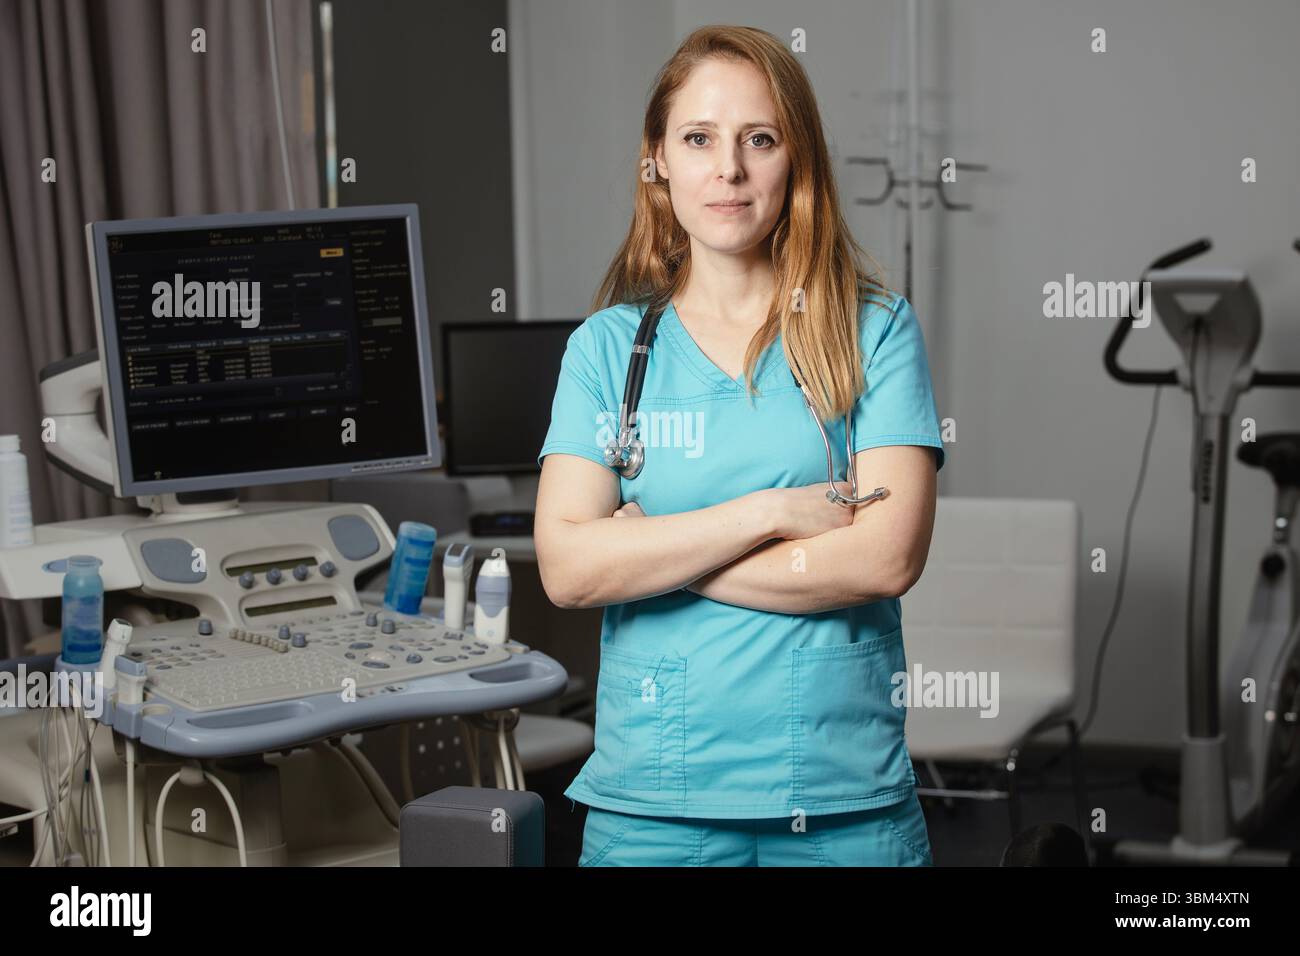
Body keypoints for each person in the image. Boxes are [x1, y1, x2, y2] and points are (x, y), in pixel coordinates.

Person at [534, 24, 946, 867]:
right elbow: (570, 571)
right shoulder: (608, 351)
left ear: (796, 159)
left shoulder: (874, 331)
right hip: (655, 805)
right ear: (659, 160)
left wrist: (657, 551)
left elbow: (885, 559)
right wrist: (775, 513)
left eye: (759, 139)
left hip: (842, 800)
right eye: (698, 139)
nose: (729, 169)